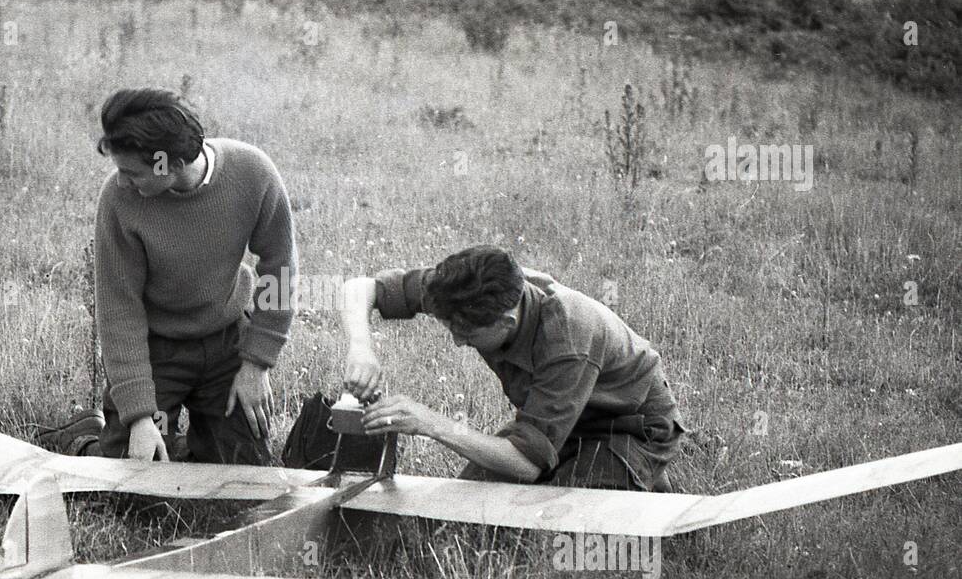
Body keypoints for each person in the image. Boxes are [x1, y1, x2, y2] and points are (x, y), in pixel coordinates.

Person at [339, 245, 684, 491]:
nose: (458, 342)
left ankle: (642, 471)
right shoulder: (462, 292)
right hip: (561, 417)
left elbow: (525, 464)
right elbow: (360, 288)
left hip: (625, 426)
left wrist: (430, 423)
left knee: (549, 523)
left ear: (506, 322)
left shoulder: (568, 335)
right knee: (465, 508)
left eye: (467, 334)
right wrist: (360, 348)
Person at [92, 88, 297, 465]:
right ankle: (91, 436)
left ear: (163, 164)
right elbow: (119, 310)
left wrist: (256, 364)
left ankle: (195, 440)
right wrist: (139, 416)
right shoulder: (119, 201)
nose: (120, 182)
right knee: (130, 482)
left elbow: (278, 268)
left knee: (243, 472)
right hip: (158, 353)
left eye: (129, 172)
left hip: (226, 346)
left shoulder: (253, 173)